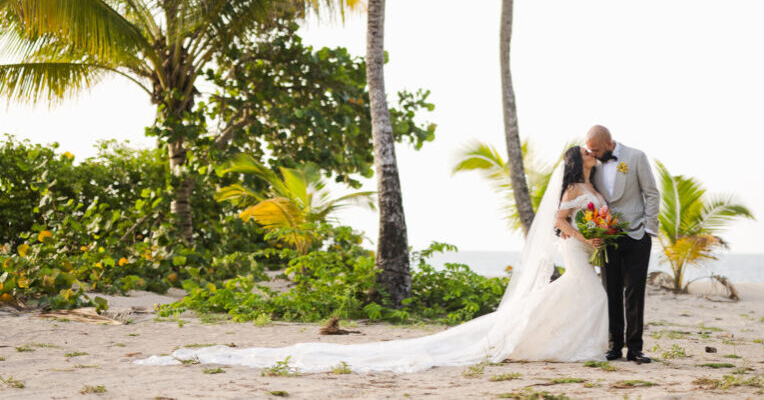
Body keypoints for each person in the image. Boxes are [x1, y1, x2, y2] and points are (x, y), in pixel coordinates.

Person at [135, 146, 611, 373]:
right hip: (577, 250)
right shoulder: (573, 188)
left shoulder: (592, 185)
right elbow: (557, 224)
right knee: (582, 292)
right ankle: (556, 343)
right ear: (578, 162)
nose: (593, 158)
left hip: (585, 251)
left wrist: (598, 234)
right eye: (588, 155)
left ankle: (562, 341)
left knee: (579, 294)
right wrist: (586, 239)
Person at [584, 125, 660, 364]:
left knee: (635, 292)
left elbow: (652, 193)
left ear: (609, 144)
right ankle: (614, 346)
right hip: (607, 236)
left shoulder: (636, 157)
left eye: (595, 149)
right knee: (611, 291)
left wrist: (649, 228)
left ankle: (635, 348)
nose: (592, 154)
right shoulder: (592, 164)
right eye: (589, 150)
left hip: (637, 235)